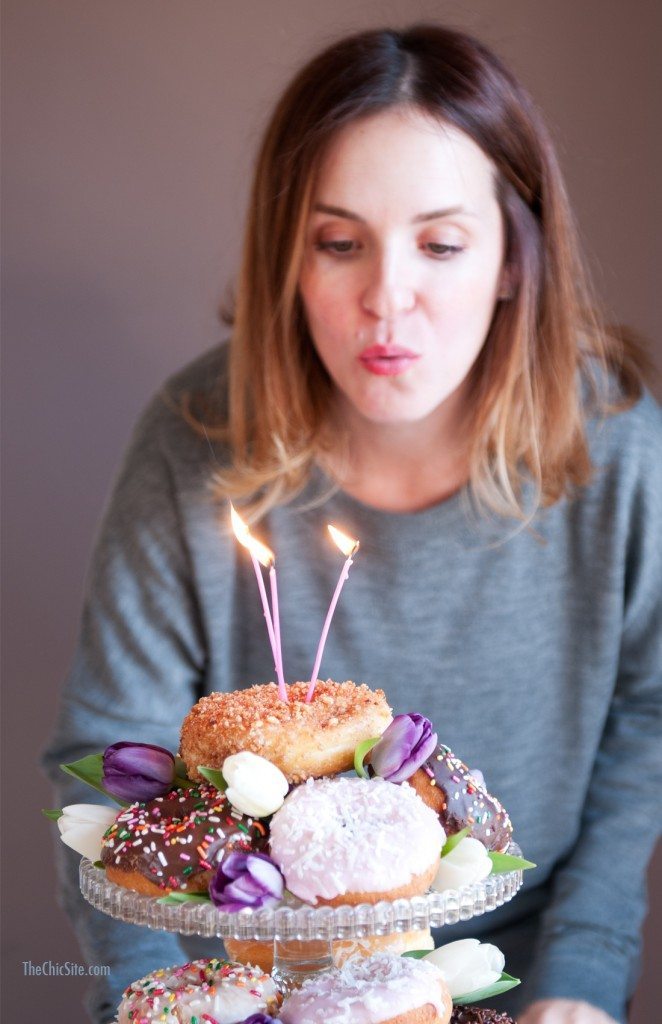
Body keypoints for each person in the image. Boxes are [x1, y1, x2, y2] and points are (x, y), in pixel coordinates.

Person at [42, 24, 661, 1024]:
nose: (386, 299)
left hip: (516, 977)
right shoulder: (190, 445)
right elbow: (113, 768)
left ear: (513, 257)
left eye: (441, 243)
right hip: (247, 983)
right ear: (288, 256)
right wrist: (164, 1000)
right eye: (339, 243)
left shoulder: (620, 449)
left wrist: (580, 980)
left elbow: (647, 720)